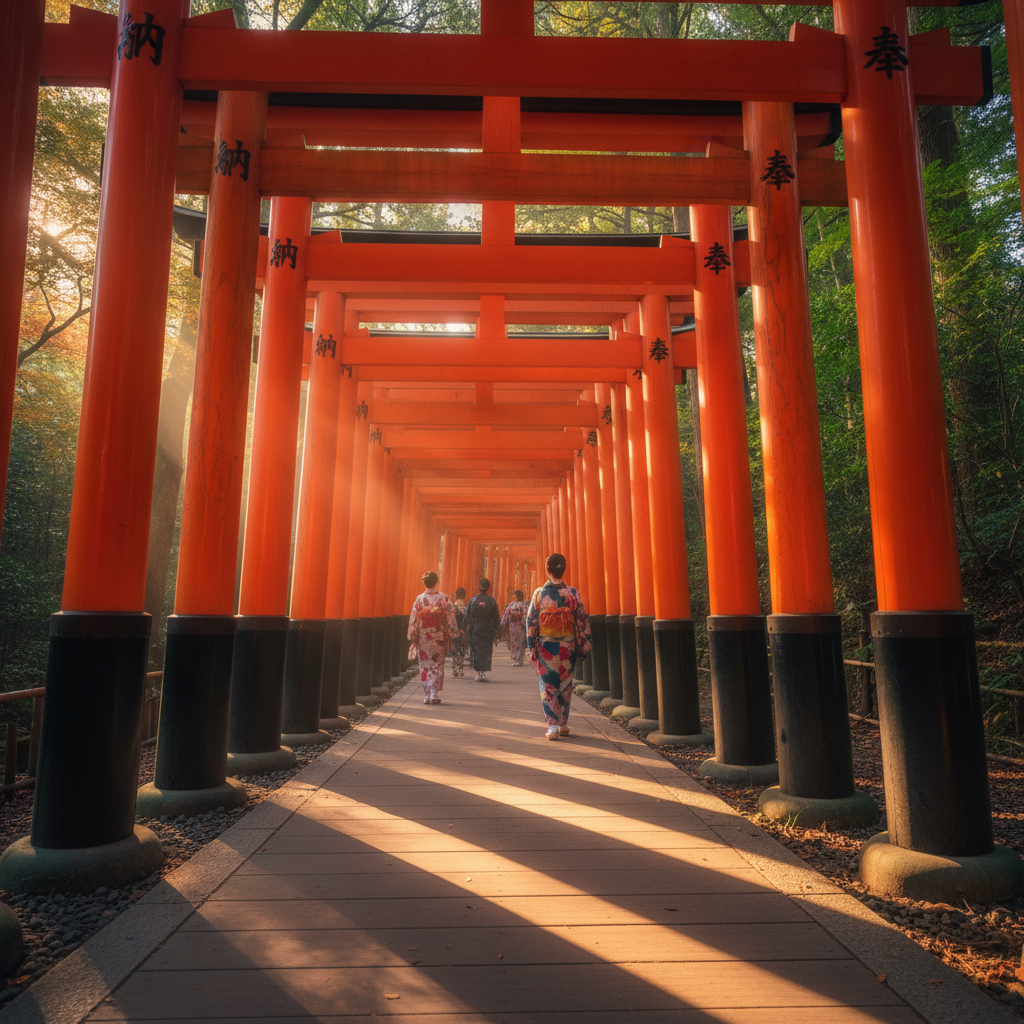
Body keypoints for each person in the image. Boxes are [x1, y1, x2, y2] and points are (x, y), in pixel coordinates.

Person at [526, 553, 592, 740]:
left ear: (547, 570)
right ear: (563, 569)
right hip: (568, 645)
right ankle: (563, 723)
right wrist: (581, 641)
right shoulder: (572, 593)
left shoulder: (539, 593)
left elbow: (531, 620)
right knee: (565, 683)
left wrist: (530, 644)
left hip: (546, 645)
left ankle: (553, 725)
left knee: (548, 684)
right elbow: (581, 618)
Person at [407, 571, 458, 704]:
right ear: (437, 582)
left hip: (424, 634)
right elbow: (450, 616)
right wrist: (452, 632)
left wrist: (413, 634)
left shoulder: (419, 599)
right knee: (437, 663)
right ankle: (434, 693)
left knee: (424, 664)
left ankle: (426, 694)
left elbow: (413, 618)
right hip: (438, 635)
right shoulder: (443, 598)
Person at [464, 577, 501, 681]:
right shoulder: (491, 601)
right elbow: (496, 617)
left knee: (476, 649)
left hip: (475, 628)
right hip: (487, 628)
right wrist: (497, 629)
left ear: (478, 587)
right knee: (486, 650)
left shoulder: (473, 600)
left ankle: (478, 672)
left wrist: (464, 628)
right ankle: (483, 672)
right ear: (488, 588)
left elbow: (467, 616)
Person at [500, 589, 529, 667]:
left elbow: (524, 615)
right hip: (514, 626)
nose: (514, 597)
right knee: (515, 643)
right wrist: (503, 623)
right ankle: (517, 659)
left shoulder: (517, 605)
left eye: (515, 596)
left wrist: (502, 623)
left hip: (518, 626)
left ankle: (519, 659)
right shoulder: (520, 605)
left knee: (520, 643)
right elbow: (506, 614)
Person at [451, 587, 468, 677]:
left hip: (455, 629)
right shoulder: (465, 606)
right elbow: (467, 618)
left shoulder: (453, 606)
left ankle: (454, 669)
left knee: (454, 649)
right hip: (463, 630)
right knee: (462, 649)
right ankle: (460, 669)